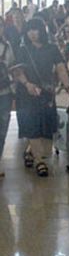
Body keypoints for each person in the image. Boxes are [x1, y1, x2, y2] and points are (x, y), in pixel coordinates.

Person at [11, 18, 69, 177]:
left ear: (42, 31)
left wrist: (68, 87)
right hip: (27, 94)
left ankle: (31, 151)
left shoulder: (52, 48)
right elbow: (18, 71)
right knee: (32, 126)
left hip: (46, 94)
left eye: (36, 29)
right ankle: (39, 161)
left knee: (47, 128)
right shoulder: (23, 49)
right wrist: (27, 84)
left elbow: (61, 69)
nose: (32, 33)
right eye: (29, 30)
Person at [0, 23, 14, 178]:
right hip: (5, 92)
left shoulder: (7, 47)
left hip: (4, 93)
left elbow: (12, 67)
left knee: (2, 129)